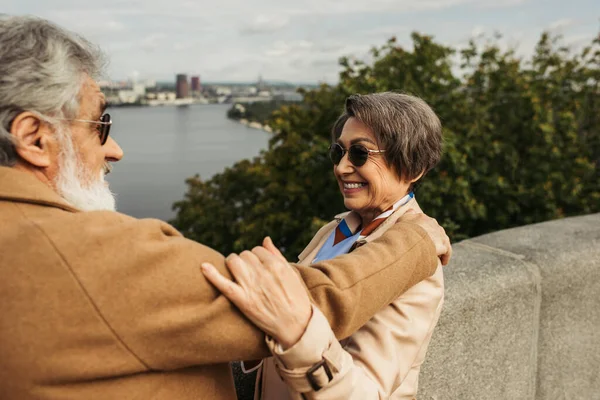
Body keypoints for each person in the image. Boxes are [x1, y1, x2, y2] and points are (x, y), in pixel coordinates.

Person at [0, 16, 452, 400]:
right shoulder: (85, 254)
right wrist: (415, 242)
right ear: (35, 138)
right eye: (102, 124)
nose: (116, 149)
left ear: (410, 165)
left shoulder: (387, 253)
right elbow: (291, 302)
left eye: (359, 153)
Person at [203, 92, 445, 399]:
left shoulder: (419, 264)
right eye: (338, 152)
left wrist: (295, 333)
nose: (342, 168)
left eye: (360, 154)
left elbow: (364, 393)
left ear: (412, 168)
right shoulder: (338, 228)